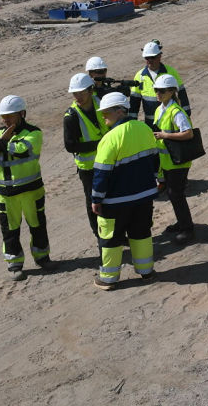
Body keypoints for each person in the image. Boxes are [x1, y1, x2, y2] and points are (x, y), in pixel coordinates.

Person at [91, 91, 161, 290]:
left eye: (106, 112)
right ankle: (146, 271)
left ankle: (109, 278)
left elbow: (101, 174)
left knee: (111, 238)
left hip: (115, 202)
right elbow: (155, 160)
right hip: (144, 196)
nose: (103, 115)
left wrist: (96, 198)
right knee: (141, 232)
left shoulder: (110, 138)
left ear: (120, 112)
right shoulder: (145, 129)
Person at [0, 95, 51, 281]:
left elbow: (21, 150)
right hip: (7, 194)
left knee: (37, 226)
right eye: (3, 116)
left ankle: (42, 257)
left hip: (31, 191)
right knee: (10, 230)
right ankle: (15, 264)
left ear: (22, 113)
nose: (5, 120)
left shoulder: (34, 133)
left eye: (9, 116)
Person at [63, 73, 107, 244]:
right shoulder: (71, 116)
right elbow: (70, 146)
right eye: (75, 94)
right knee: (94, 203)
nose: (78, 97)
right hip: (88, 168)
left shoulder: (102, 103)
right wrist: (101, 144)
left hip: (109, 162)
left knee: (112, 199)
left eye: (81, 92)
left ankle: (116, 233)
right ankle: (100, 237)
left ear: (91, 90)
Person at [152, 73, 196, 244]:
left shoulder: (177, 111)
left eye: (162, 91)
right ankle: (182, 223)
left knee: (175, 194)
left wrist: (165, 135)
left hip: (179, 161)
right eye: (156, 90)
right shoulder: (159, 109)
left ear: (171, 92)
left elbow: (188, 133)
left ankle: (188, 229)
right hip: (168, 161)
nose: (158, 93)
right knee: (173, 194)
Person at [130, 40, 191, 126]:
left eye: (153, 57)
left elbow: (181, 93)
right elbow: (134, 100)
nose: (150, 60)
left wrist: (186, 113)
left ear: (160, 56)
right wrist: (132, 121)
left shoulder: (170, 72)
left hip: (169, 120)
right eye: (147, 58)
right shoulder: (139, 75)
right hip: (150, 122)